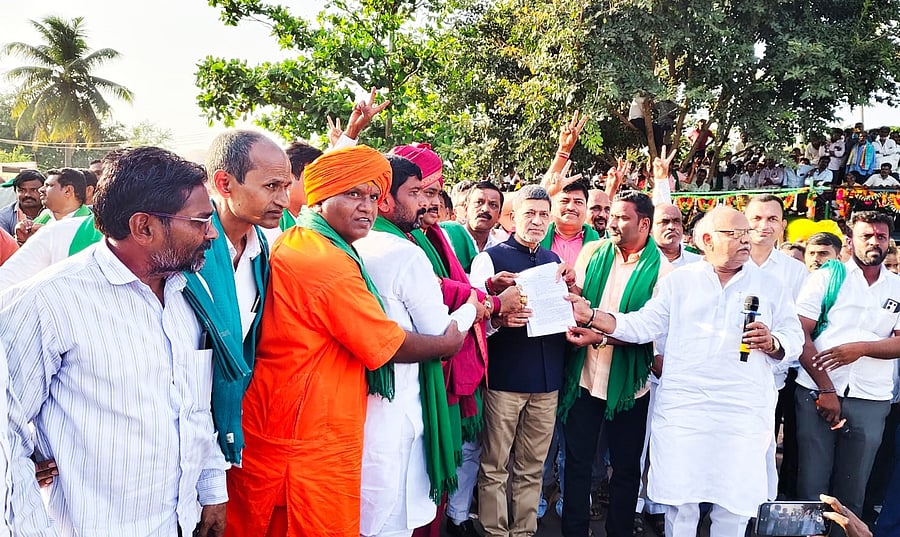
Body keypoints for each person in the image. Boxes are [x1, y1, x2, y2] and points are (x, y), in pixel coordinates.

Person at [224, 145, 465, 537]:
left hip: (295, 427)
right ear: (320, 198)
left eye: (372, 196)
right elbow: (387, 343)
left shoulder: (301, 240)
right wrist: (447, 344)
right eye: (353, 194)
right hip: (303, 441)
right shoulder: (326, 262)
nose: (367, 207)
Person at [0, 146, 227, 536]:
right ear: (144, 227)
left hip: (179, 520)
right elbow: (7, 438)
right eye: (201, 221)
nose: (211, 233)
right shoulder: (48, 303)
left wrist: (211, 490)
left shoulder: (187, 293)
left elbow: (193, 404)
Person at [566, 206, 803, 537]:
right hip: (686, 409)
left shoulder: (770, 285)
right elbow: (643, 325)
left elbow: (794, 337)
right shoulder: (680, 282)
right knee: (680, 505)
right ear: (707, 239)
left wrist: (774, 342)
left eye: (745, 233)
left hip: (741, 412)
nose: (744, 240)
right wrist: (592, 316)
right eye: (734, 234)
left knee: (733, 508)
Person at [355, 154, 476, 537]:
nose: (424, 202)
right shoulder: (404, 253)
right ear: (385, 201)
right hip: (399, 410)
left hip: (358, 409)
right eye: (415, 193)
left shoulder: (347, 245)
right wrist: (475, 308)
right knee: (393, 519)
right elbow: (443, 337)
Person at [559, 191, 671, 537]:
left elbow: (647, 329)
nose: (612, 223)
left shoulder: (663, 271)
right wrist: (571, 285)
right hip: (585, 376)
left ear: (644, 224)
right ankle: (574, 531)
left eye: (623, 217)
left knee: (625, 468)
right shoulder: (593, 252)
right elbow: (578, 298)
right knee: (577, 463)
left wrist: (599, 335)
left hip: (630, 387)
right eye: (612, 216)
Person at [470, 185, 574, 537]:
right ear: (512, 217)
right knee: (495, 464)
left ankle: (524, 531)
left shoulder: (554, 262)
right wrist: (499, 320)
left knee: (532, 467)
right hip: (505, 378)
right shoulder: (490, 260)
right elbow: (473, 321)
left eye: (544, 215)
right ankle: (495, 531)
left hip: (547, 381)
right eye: (530, 213)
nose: (537, 221)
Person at [186, 130, 292, 464]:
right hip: (175, 427)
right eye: (271, 186)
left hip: (221, 428)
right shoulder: (184, 252)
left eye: (286, 187)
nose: (283, 200)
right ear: (224, 184)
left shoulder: (262, 251)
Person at [794, 211, 900, 519]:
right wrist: (826, 389)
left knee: (853, 490)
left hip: (871, 397)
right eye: (866, 236)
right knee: (812, 485)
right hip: (816, 392)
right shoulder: (826, 278)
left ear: (889, 242)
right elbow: (800, 333)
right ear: (850, 240)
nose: (874, 242)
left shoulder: (897, 286)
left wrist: (861, 349)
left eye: (881, 237)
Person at [441, 181, 505, 272]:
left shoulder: (501, 251)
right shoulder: (447, 238)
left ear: (499, 215)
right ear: (466, 208)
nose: (485, 209)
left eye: (493, 205)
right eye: (479, 202)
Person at [540, 181, 599, 266]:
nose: (571, 207)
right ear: (551, 207)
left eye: (578, 202)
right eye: (564, 201)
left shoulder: (599, 244)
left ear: (586, 208)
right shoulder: (537, 238)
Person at [0, 169, 44, 237]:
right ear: (15, 191)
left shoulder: (54, 212)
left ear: (44, 190)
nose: (27, 194)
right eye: (22, 190)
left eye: (34, 190)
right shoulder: (4, 216)